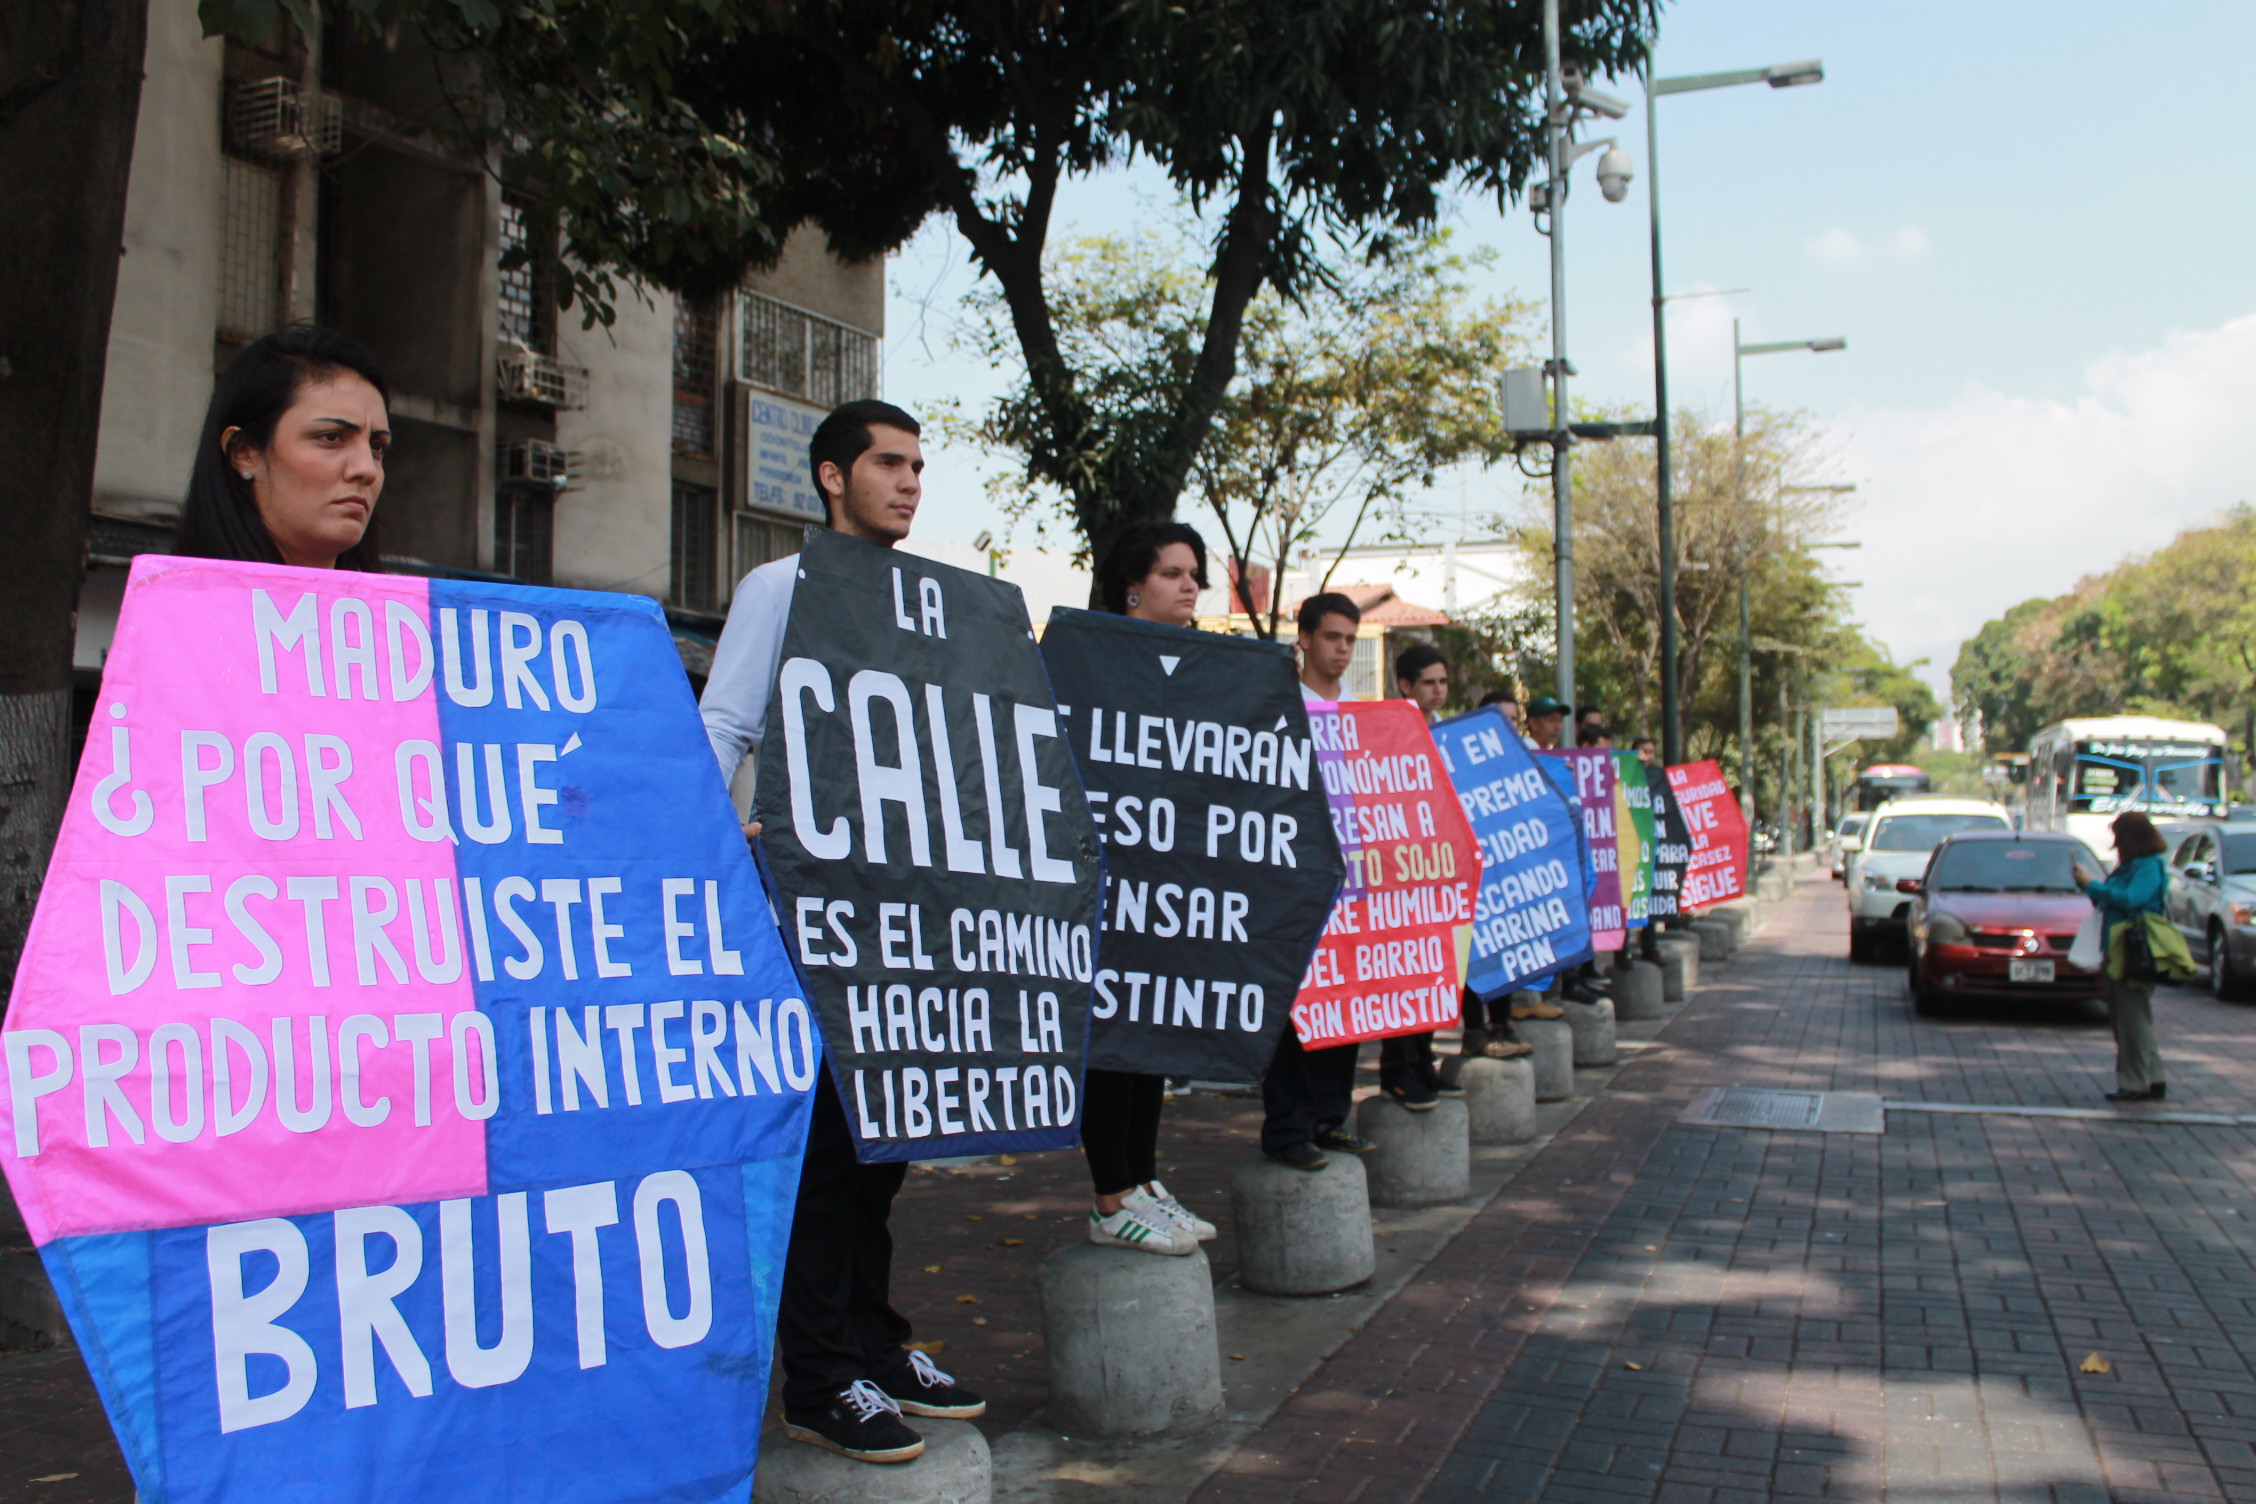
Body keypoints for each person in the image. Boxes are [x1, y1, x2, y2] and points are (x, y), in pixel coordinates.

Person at [701, 399, 982, 1464]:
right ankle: (821, 1375)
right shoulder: (782, 589)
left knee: (886, 1143)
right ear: (830, 477)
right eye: (886, 463)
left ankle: (875, 1340)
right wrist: (731, 841)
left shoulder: (933, 604)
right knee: (824, 1150)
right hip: (811, 917)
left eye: (918, 465)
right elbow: (725, 722)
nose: (909, 482)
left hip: (908, 921)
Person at [1077, 520, 1218, 1257]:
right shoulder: (1089, 659)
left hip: (1166, 889)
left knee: (1152, 1029)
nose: (1190, 584)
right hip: (1103, 888)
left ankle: (1142, 1182)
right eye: (1172, 573)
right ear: (1133, 587)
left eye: (1194, 572)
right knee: (1112, 1035)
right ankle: (1111, 1196)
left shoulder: (1197, 667)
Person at [1260, 593, 1378, 1170]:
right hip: (1292, 880)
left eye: (1351, 640)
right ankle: (1287, 1127)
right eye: (1332, 638)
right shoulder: (1280, 708)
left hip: (1354, 882)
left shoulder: (1363, 715)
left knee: (1344, 1000)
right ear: (1303, 638)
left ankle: (1331, 1117)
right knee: (1294, 1005)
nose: (1342, 650)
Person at [174, 325, 391, 570]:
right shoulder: (170, 603)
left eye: (377, 447)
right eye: (331, 437)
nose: (367, 469)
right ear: (244, 453)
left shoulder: (418, 607)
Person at [2072, 814, 2172, 1103]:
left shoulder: (2147, 867)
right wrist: (2090, 887)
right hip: (2118, 948)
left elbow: (2130, 899)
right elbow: (2109, 899)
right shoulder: (2130, 867)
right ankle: (2151, 1076)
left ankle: (2135, 1081)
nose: (2115, 843)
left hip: (2131, 949)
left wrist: (2092, 884)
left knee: (2131, 1019)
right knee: (2130, 1016)